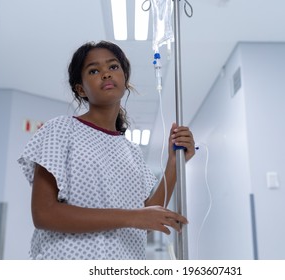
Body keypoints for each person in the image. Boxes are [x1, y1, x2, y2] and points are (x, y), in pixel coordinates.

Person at [18, 41, 195, 260]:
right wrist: (131, 217)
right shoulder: (61, 130)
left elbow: (145, 220)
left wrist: (174, 164)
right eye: (94, 70)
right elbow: (44, 213)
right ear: (80, 89)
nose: (106, 74)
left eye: (113, 67)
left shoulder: (131, 152)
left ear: (124, 79)